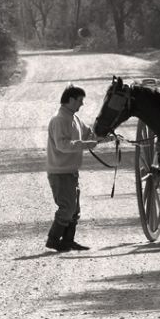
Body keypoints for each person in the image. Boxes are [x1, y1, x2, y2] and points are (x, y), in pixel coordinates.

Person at [45, 84, 103, 252]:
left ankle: (68, 241)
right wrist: (87, 144)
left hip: (70, 171)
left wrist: (105, 137)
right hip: (59, 172)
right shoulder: (59, 119)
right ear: (70, 99)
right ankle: (53, 239)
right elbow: (62, 145)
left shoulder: (73, 118)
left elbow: (88, 134)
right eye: (80, 100)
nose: (82, 104)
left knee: (74, 210)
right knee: (67, 208)